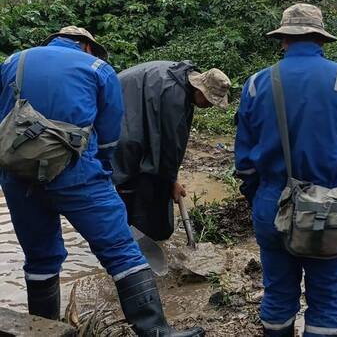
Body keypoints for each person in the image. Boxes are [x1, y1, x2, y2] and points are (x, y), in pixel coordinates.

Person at [0, 26, 202, 336]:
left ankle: (43, 329)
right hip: (76, 173)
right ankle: (157, 332)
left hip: (17, 174)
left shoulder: (14, 61)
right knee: (120, 248)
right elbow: (110, 135)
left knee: (40, 257)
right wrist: (107, 176)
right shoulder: (97, 68)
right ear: (86, 46)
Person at [234, 4, 337, 337]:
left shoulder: (256, 83)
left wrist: (264, 196)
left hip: (272, 203)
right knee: (326, 301)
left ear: (283, 40)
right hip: (330, 208)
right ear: (321, 39)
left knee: (278, 295)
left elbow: (243, 163)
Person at [113, 61, 231, 241]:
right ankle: (129, 237)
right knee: (135, 181)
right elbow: (169, 145)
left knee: (149, 179)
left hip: (134, 110)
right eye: (209, 101)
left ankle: (134, 232)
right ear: (200, 90)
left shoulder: (183, 79)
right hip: (122, 120)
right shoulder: (174, 97)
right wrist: (171, 181)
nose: (209, 106)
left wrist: (170, 178)